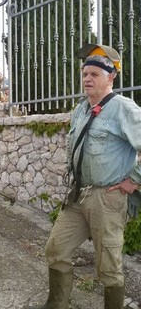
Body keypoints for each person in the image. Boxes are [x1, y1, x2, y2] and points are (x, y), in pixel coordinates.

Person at [25, 44, 141, 309]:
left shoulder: (124, 108)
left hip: (107, 200)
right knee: (56, 250)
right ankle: (56, 305)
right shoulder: (81, 109)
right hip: (79, 194)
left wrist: (133, 179)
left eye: (95, 74)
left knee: (109, 267)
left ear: (111, 77)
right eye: (85, 73)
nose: (87, 79)